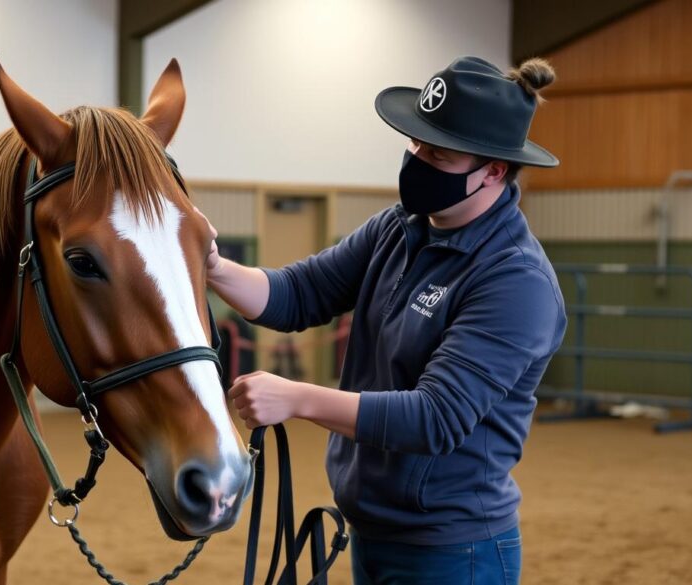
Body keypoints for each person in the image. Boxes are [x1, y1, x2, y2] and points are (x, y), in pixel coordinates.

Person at [203, 56, 568, 584]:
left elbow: (436, 417)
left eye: (437, 154)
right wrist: (211, 266)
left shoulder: (516, 281)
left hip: (452, 551)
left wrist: (299, 399)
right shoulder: (397, 228)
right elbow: (298, 293)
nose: (417, 159)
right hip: (372, 532)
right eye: (414, 143)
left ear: (493, 169)